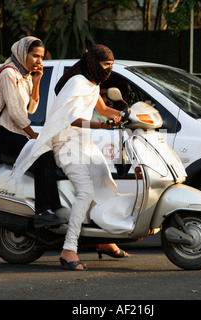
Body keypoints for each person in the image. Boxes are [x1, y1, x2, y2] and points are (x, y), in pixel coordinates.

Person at [12, 45, 128, 270]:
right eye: (105, 65)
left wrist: (127, 114)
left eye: (111, 66)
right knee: (86, 191)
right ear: (93, 63)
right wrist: (103, 125)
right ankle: (69, 249)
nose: (108, 69)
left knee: (104, 181)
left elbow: (103, 109)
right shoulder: (76, 83)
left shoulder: (92, 83)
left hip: (83, 143)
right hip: (66, 144)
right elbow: (72, 120)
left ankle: (102, 239)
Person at [0, 36, 63, 228]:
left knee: (48, 154)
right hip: (5, 134)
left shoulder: (25, 75)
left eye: (41, 57)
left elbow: (30, 109)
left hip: (18, 134)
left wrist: (37, 81)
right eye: (34, 56)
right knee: (42, 153)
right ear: (23, 53)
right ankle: (43, 211)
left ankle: (52, 208)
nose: (39, 61)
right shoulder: (8, 74)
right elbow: (15, 113)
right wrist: (35, 136)